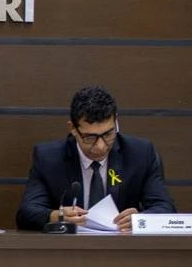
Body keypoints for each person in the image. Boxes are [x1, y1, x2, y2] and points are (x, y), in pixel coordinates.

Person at [16, 85, 175, 232]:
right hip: (70, 249)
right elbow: (26, 213)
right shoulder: (49, 157)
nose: (100, 146)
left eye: (108, 134)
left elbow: (165, 208)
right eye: (90, 137)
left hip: (124, 247)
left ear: (116, 121)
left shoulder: (140, 154)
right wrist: (57, 216)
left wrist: (140, 219)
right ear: (73, 129)